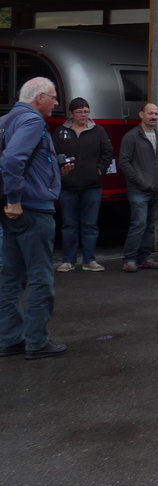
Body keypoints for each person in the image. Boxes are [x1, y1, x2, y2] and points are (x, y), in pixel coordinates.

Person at [0, 77, 68, 358]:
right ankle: (37, 342)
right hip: (32, 209)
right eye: (53, 97)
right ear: (39, 97)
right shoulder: (33, 121)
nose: (56, 102)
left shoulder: (6, 120)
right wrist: (15, 199)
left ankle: (9, 339)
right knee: (40, 277)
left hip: (12, 210)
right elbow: (13, 159)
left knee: (11, 277)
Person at [53, 97, 114, 272]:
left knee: (90, 224)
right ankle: (68, 260)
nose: (83, 115)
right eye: (79, 112)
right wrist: (60, 170)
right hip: (68, 186)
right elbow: (52, 153)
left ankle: (89, 260)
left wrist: (100, 169)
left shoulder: (98, 131)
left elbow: (107, 152)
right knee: (69, 225)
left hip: (92, 186)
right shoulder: (60, 132)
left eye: (86, 111)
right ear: (71, 114)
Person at [118, 102, 158, 272]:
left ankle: (144, 257)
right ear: (141, 115)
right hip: (138, 190)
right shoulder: (131, 136)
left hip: (156, 189)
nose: (153, 117)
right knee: (138, 224)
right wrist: (139, 181)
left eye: (156, 114)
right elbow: (124, 162)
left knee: (150, 226)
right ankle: (130, 259)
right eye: (150, 113)